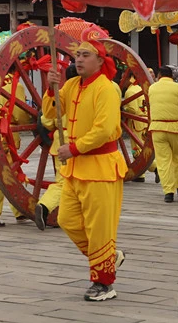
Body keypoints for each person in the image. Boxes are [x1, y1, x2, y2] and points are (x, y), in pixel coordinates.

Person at [43, 40, 126, 302]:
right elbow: (50, 114)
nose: (78, 59)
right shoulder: (70, 85)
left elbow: (103, 130)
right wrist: (50, 88)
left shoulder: (107, 89)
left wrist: (75, 148)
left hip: (101, 167)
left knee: (99, 228)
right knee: (67, 220)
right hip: (76, 169)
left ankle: (104, 283)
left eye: (85, 55)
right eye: (77, 55)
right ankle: (107, 259)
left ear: (100, 61)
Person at [0, 73, 32, 227]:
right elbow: (20, 114)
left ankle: (20, 210)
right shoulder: (16, 86)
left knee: (11, 172)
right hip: (6, 133)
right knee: (4, 172)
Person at [35, 64, 77, 230]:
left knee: (65, 179)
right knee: (67, 181)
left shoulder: (61, 94)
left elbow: (47, 119)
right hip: (78, 143)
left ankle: (70, 214)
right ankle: (45, 205)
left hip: (60, 142)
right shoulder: (87, 92)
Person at [148, 66, 178, 203]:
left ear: (159, 75)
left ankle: (168, 192)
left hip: (157, 127)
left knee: (163, 160)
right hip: (175, 127)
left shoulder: (152, 88)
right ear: (172, 76)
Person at [123, 75, 158, 183]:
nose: (122, 81)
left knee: (137, 149)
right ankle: (140, 174)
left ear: (130, 79)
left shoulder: (130, 92)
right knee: (142, 146)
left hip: (136, 122)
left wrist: (122, 108)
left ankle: (156, 168)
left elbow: (132, 110)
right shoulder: (139, 89)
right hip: (145, 120)